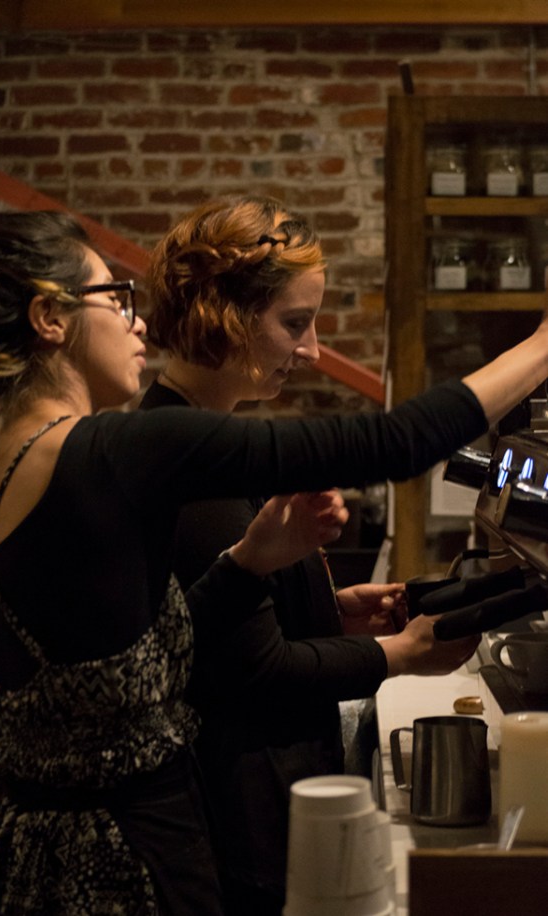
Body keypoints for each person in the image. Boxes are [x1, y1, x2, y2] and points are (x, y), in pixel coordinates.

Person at [0, 210, 546, 916]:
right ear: (49, 317)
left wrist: (247, 565)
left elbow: (119, 673)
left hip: (28, 855)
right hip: (137, 856)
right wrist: (540, 346)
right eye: (115, 298)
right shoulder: (112, 449)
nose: (138, 323)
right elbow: (397, 442)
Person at [140, 193, 548, 914]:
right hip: (240, 810)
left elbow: (219, 616)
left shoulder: (202, 438)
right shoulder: (190, 465)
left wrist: (330, 609)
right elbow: (250, 669)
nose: (314, 350)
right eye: (294, 324)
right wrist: (400, 654)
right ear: (224, 318)